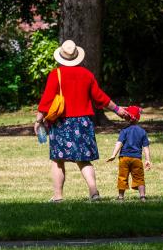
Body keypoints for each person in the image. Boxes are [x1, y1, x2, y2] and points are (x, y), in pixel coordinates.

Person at [34, 39, 131, 203]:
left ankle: (58, 197)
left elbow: (47, 100)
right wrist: (117, 110)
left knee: (58, 160)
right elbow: (100, 97)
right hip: (83, 122)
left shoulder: (55, 75)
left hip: (61, 123)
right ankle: (94, 193)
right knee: (84, 159)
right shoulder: (87, 74)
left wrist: (38, 120)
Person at [106, 106, 152, 202]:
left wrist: (113, 155)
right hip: (137, 159)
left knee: (122, 177)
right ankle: (142, 196)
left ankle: (121, 197)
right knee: (139, 178)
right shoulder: (142, 131)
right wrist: (148, 160)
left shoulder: (124, 130)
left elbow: (119, 143)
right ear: (138, 118)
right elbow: (146, 147)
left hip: (124, 158)